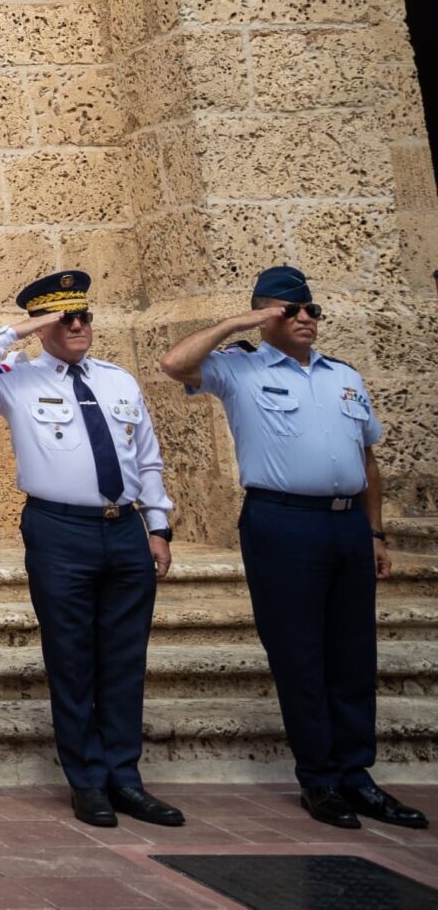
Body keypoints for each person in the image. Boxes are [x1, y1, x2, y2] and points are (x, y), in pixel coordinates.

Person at [159, 266, 425, 830]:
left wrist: (375, 532)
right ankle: (320, 778)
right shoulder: (240, 369)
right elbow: (174, 364)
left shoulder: (343, 376)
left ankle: (357, 775)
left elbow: (368, 460)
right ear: (266, 314)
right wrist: (240, 322)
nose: (305, 318)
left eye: (312, 311)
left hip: (348, 525)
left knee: (354, 654)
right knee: (300, 653)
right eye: (290, 310)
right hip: (283, 524)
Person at [0, 270, 181, 830]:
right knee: (72, 658)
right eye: (63, 317)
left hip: (124, 528)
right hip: (59, 530)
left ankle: (126, 778)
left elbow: (146, 457)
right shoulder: (16, 379)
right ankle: (87, 780)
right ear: (46, 325)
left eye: (83, 316)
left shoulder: (118, 380)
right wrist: (20, 331)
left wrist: (159, 525)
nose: (77, 325)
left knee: (125, 658)